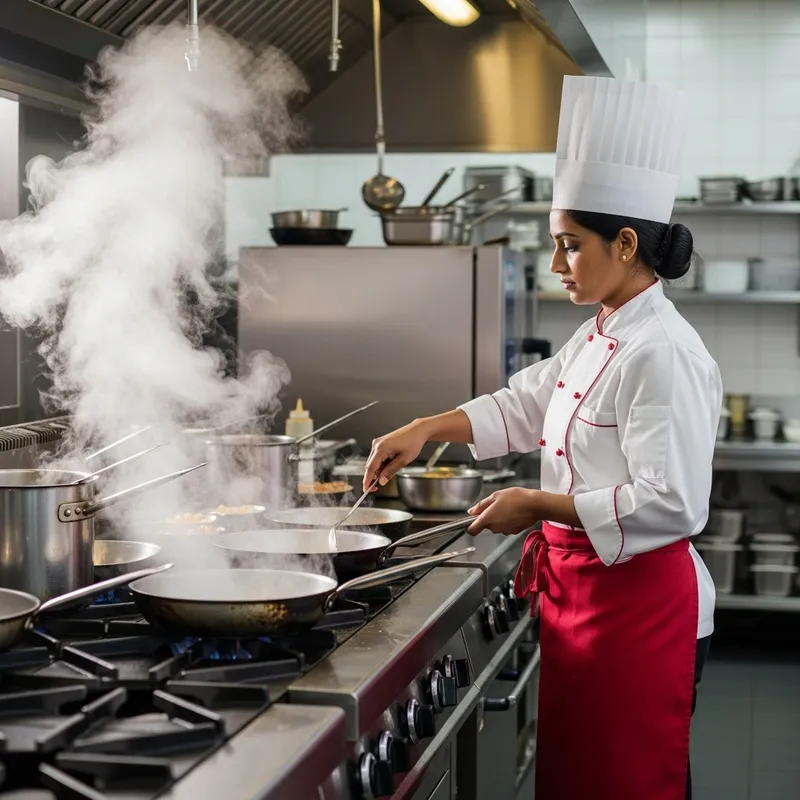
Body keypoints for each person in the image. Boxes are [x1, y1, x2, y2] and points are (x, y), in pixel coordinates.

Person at [363, 76, 720, 800]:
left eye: (569, 246)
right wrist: (427, 427)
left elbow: (673, 501)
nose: (556, 265)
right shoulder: (601, 331)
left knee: (629, 784)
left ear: (625, 243)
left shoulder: (664, 352)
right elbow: (528, 403)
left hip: (642, 611)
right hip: (586, 602)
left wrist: (536, 503)